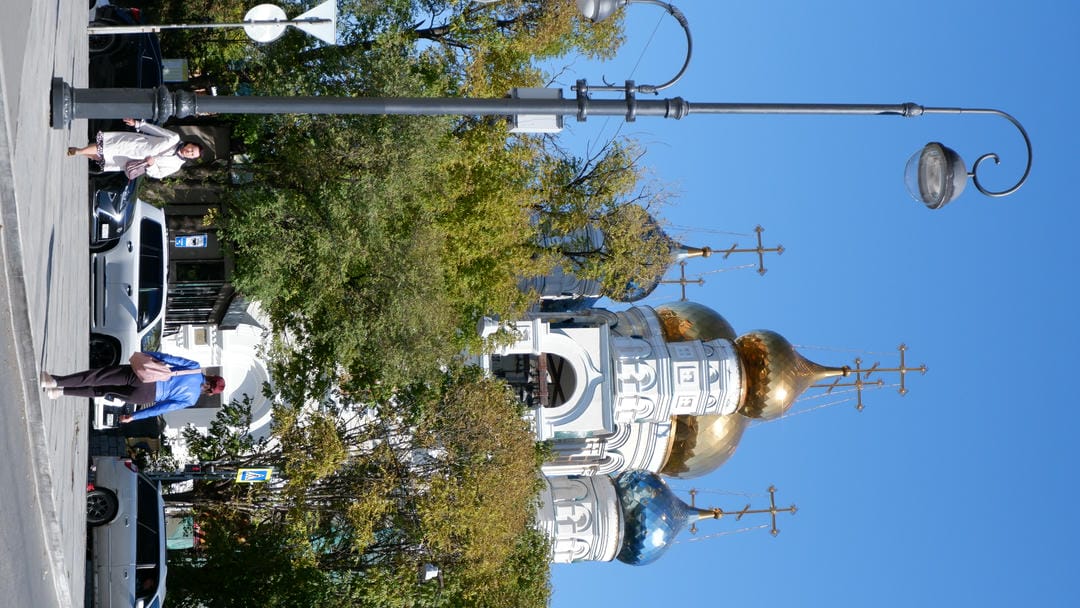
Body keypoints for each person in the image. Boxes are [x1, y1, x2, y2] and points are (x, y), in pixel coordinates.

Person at [40, 351, 225, 423]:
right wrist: (134, 416)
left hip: (145, 378)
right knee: (101, 391)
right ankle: (60, 392)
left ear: (210, 376)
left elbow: (168, 359)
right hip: (143, 398)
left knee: (98, 377)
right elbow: (161, 408)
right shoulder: (191, 399)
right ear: (209, 392)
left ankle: (55, 381)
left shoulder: (194, 368)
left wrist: (147, 354)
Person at [67, 118, 202, 180]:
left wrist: (152, 165)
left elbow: (158, 174)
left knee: (102, 157)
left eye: (192, 155)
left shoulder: (175, 166)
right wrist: (138, 124)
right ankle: (78, 152)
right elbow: (156, 130)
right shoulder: (174, 138)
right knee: (105, 147)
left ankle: (80, 151)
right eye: (192, 149)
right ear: (190, 144)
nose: (189, 152)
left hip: (134, 161)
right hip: (134, 145)